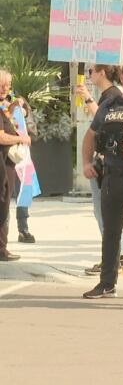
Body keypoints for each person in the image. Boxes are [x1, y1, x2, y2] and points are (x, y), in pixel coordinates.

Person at [81, 60, 123, 299]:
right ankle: (107, 283)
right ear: (122, 77)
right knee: (111, 232)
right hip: (111, 176)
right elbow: (91, 135)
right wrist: (87, 163)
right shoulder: (109, 104)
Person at [75, 65, 123, 275]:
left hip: (110, 163)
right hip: (103, 161)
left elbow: (104, 121)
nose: (89, 75)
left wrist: (89, 99)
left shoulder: (113, 95)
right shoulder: (108, 95)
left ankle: (116, 256)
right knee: (103, 212)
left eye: (91, 71)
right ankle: (118, 254)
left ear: (101, 73)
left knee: (105, 212)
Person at [0, 70, 31, 261]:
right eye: (1, 84)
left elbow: (6, 120)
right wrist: (22, 138)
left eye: (7, 84)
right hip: (2, 165)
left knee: (4, 204)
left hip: (8, 164)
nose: (5, 89)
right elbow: (1, 136)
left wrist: (13, 107)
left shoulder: (3, 104)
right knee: (2, 204)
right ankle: (1, 249)